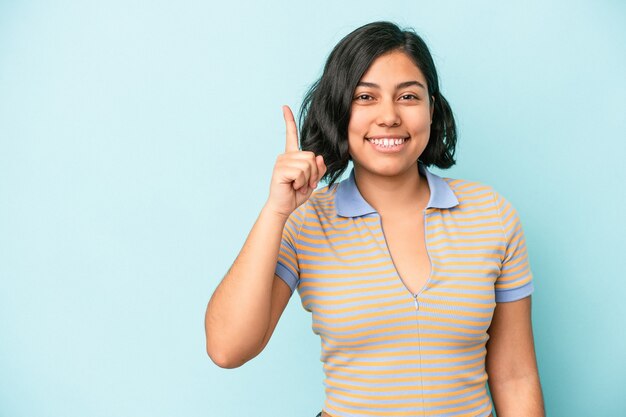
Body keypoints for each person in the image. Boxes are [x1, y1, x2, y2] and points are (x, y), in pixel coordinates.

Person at [205, 21, 545, 417]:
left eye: (408, 97)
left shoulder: (492, 215)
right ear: (340, 110)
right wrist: (276, 210)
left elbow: (516, 376)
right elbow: (227, 349)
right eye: (365, 97)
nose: (389, 116)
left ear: (431, 110)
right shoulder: (303, 223)